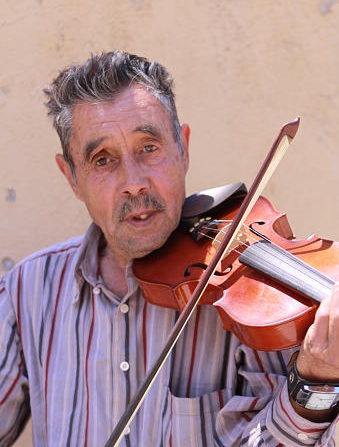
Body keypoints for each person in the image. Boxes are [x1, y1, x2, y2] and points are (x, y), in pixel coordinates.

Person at [0, 50, 338, 447]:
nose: (134, 182)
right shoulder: (27, 291)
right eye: (103, 159)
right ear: (71, 176)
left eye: (148, 147)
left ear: (183, 149)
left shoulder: (255, 307)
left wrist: (314, 377)